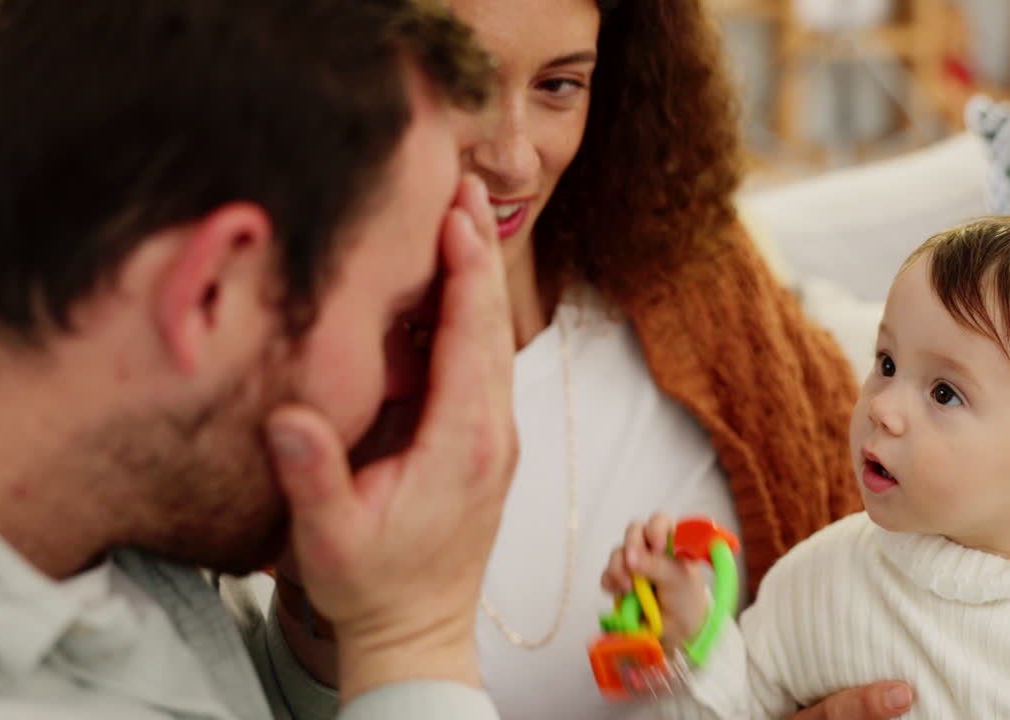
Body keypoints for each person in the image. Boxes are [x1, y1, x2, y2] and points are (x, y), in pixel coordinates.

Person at [271, 1, 913, 718]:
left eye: (559, 85)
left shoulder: (690, 266)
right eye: (462, 87)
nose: (516, 158)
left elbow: (882, 561)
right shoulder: (270, 374)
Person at [0, 1, 520, 719]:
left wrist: (349, 618)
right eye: (394, 316)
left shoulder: (120, 544)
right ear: (209, 294)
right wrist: (417, 635)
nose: (411, 384)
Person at [606, 216, 1010, 718]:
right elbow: (738, 709)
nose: (884, 408)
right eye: (888, 363)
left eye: (945, 393)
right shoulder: (819, 580)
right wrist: (692, 638)